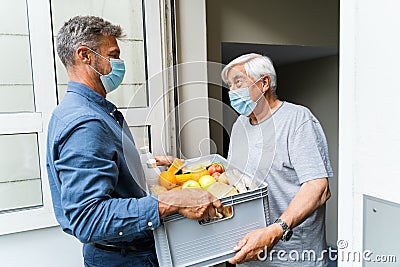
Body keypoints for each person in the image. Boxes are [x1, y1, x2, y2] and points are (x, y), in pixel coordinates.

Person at [46, 15, 222, 267]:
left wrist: (145, 170)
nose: (119, 64)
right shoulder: (86, 123)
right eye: (113, 54)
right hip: (124, 258)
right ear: (85, 55)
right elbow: (88, 218)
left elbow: (105, 176)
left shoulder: (82, 112)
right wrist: (171, 201)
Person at [221, 53, 333, 267]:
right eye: (229, 86)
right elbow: (234, 178)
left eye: (238, 82)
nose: (231, 92)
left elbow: (318, 188)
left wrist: (276, 230)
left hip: (292, 256)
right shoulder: (240, 125)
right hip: (250, 251)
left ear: (264, 83)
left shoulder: (298, 120)